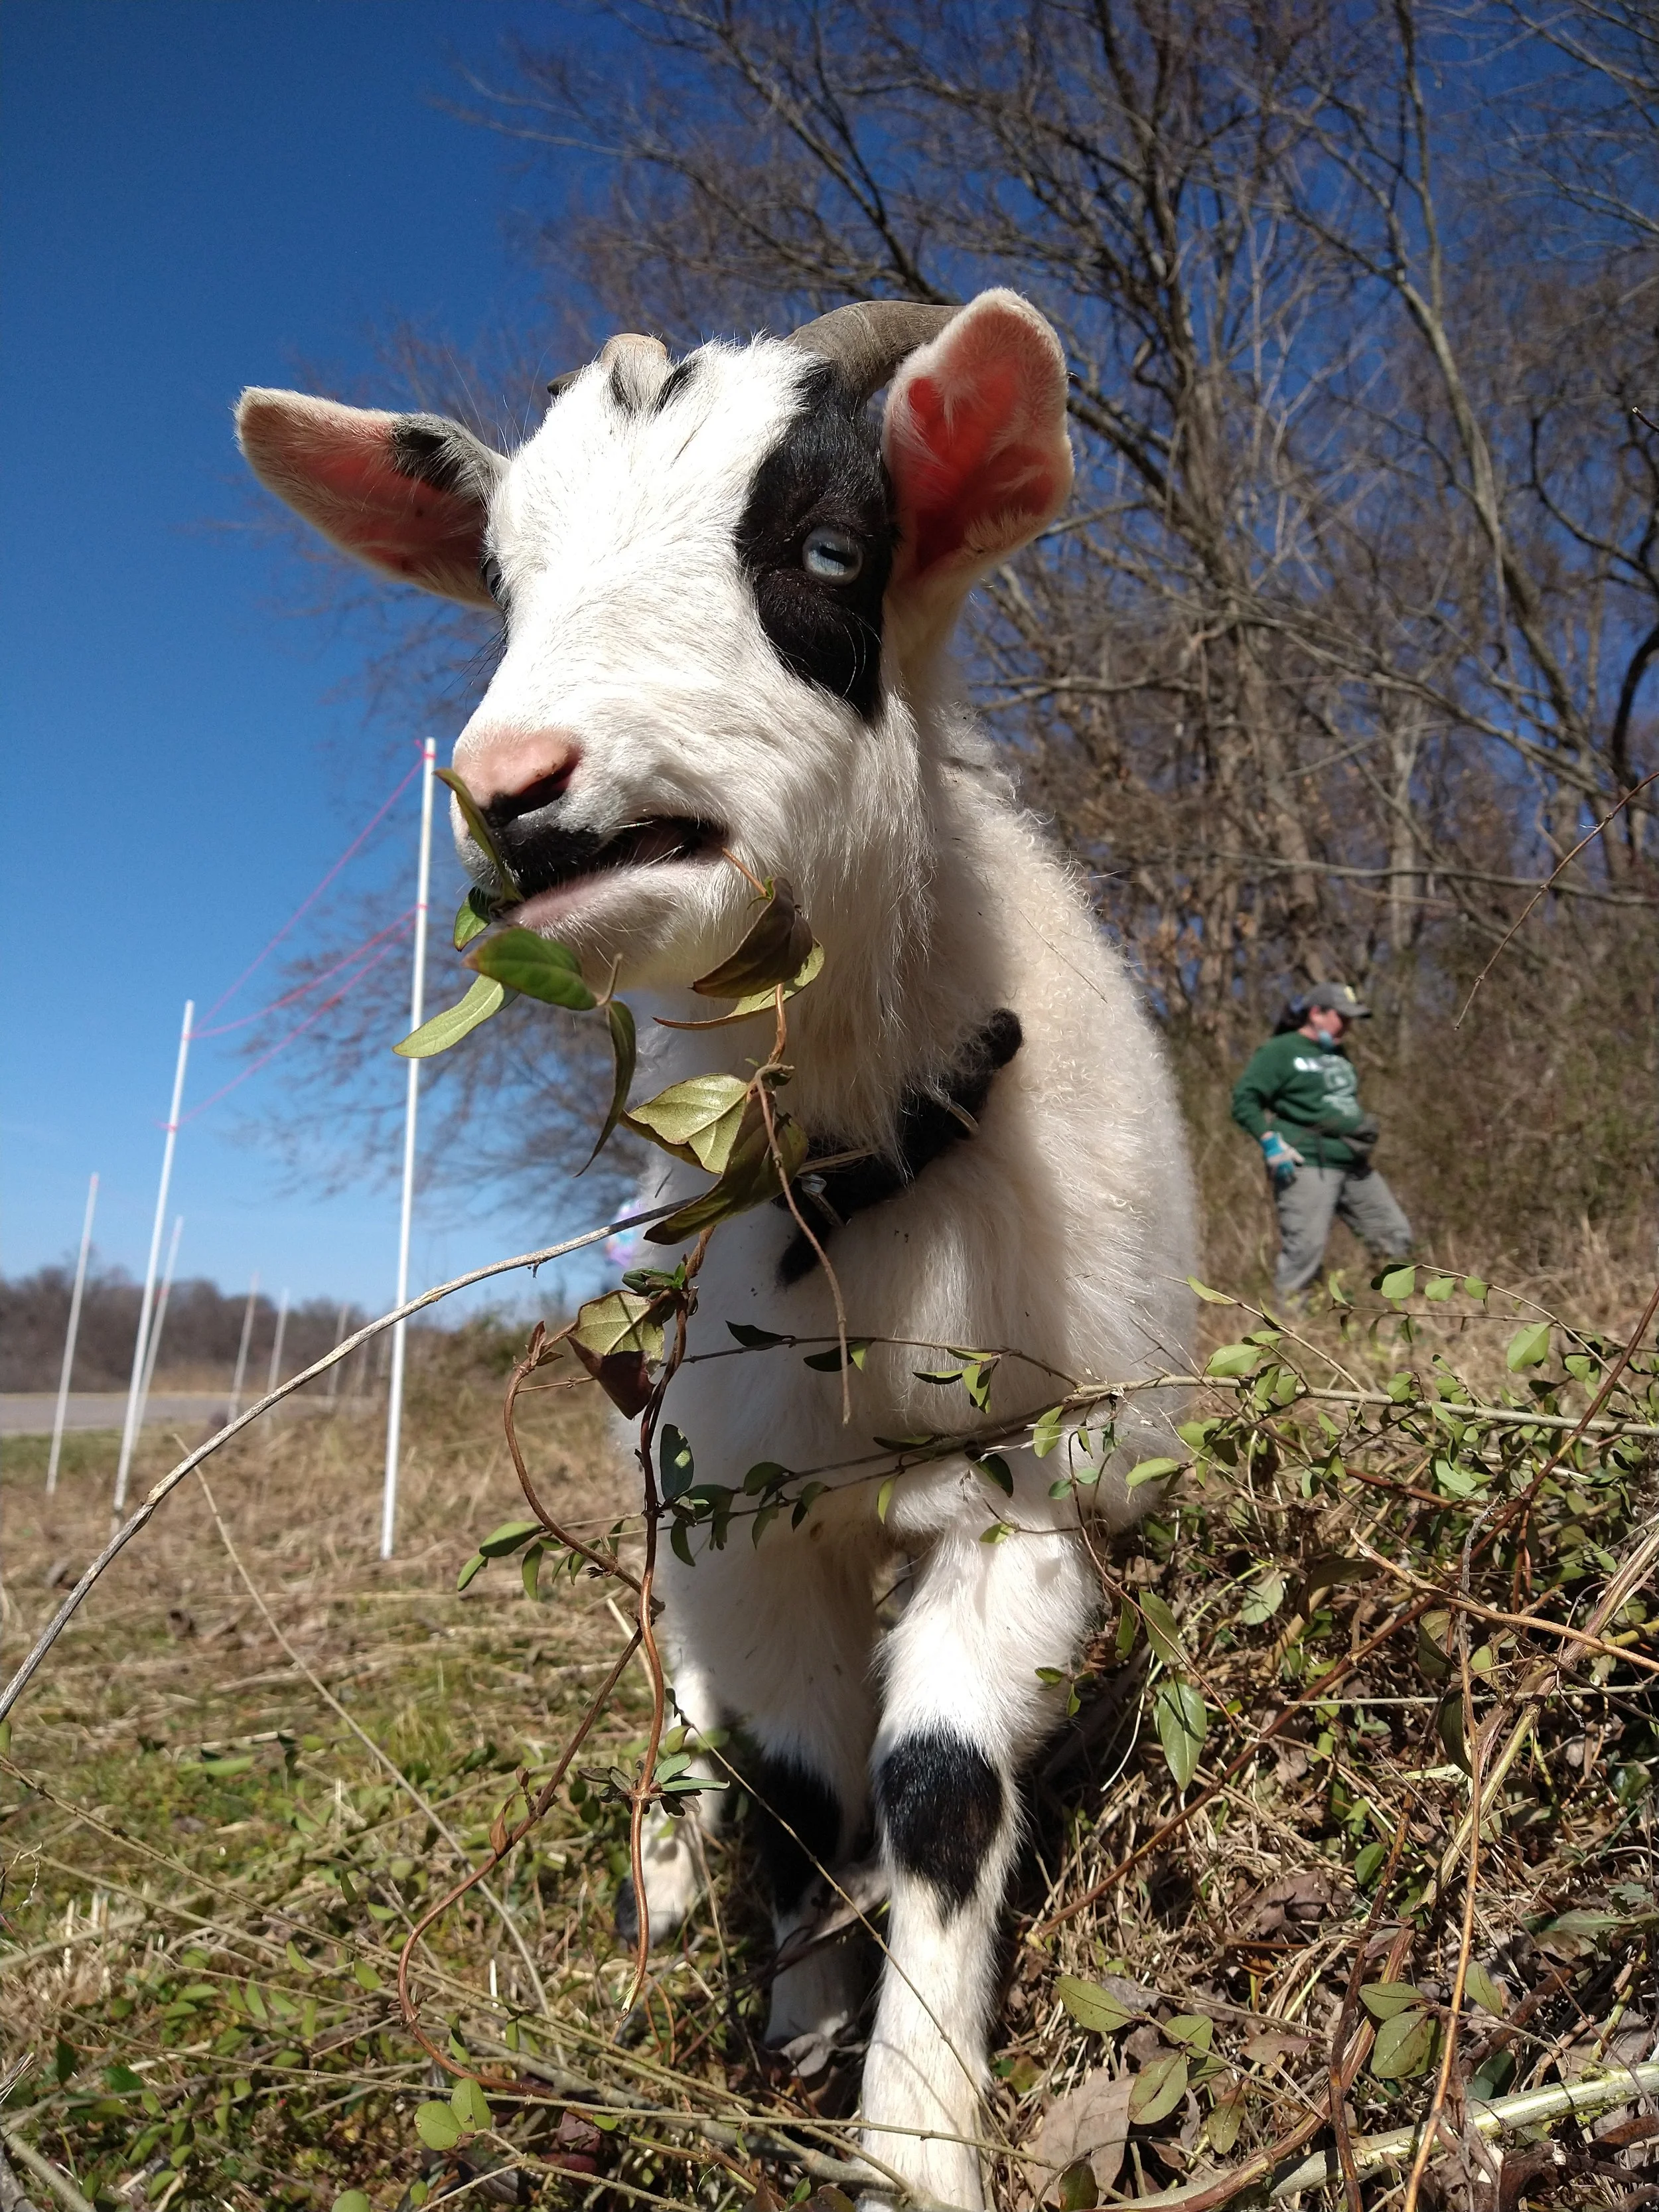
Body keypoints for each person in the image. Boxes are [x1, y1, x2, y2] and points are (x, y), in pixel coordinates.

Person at [1231, 982, 1411, 1306]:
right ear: (1316, 1014)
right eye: (1342, 1017)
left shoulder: (1338, 1053)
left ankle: (1390, 1315)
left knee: (1394, 1236)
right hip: (1307, 1162)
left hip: (1353, 1163)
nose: (1349, 1025)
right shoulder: (1281, 1051)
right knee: (1304, 1253)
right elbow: (1245, 1099)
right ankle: (1292, 1338)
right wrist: (1270, 1142)